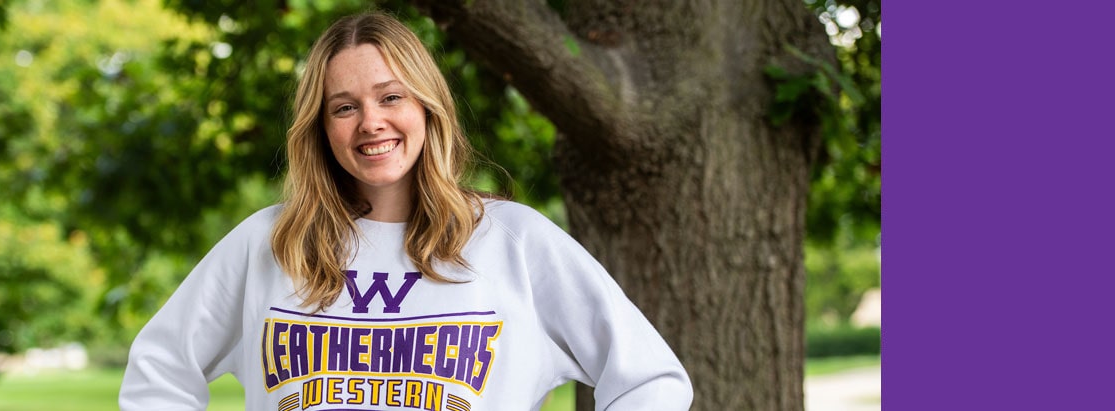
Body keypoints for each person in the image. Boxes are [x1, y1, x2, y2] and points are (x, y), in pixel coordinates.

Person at [119, 11, 692, 410]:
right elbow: (158, 373)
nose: (371, 122)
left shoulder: (514, 241)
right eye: (344, 107)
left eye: (391, 97)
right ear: (321, 128)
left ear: (427, 106)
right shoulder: (269, 242)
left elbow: (651, 381)